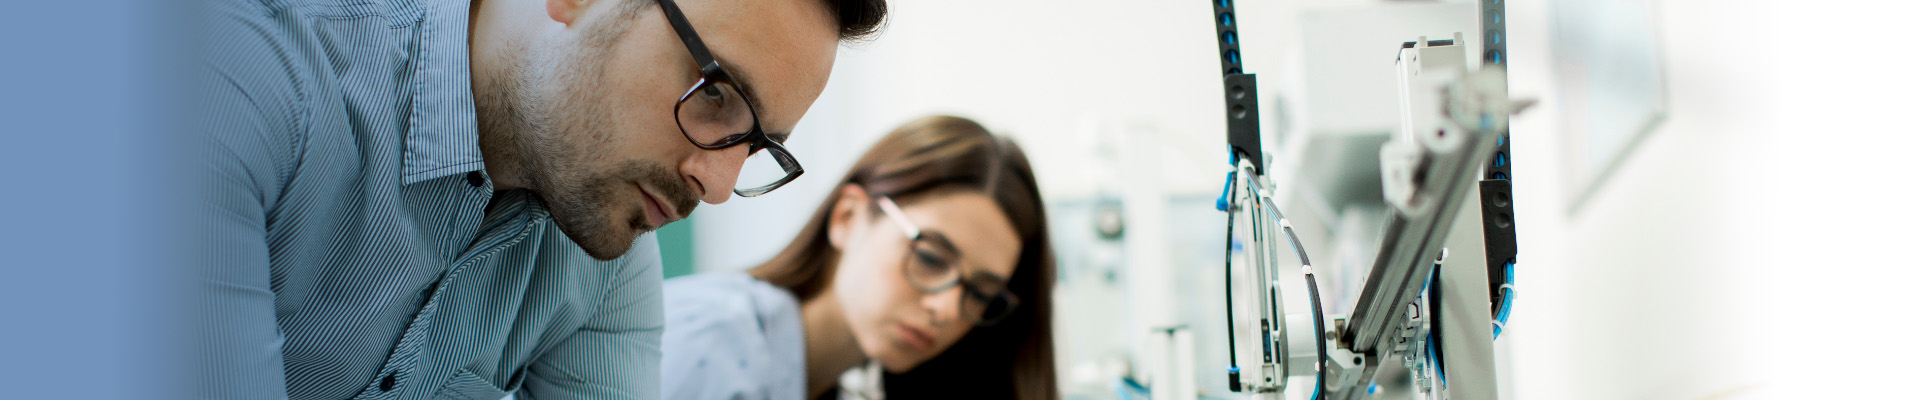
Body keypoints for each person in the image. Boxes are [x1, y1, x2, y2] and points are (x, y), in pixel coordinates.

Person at [194, 0, 885, 398]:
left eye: (758, 145)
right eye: (716, 94)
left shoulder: (604, 257)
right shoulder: (239, 73)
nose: (720, 185)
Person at [660, 116, 1059, 400]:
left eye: (981, 294)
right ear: (848, 217)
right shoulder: (710, 338)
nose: (948, 309)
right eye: (932, 258)